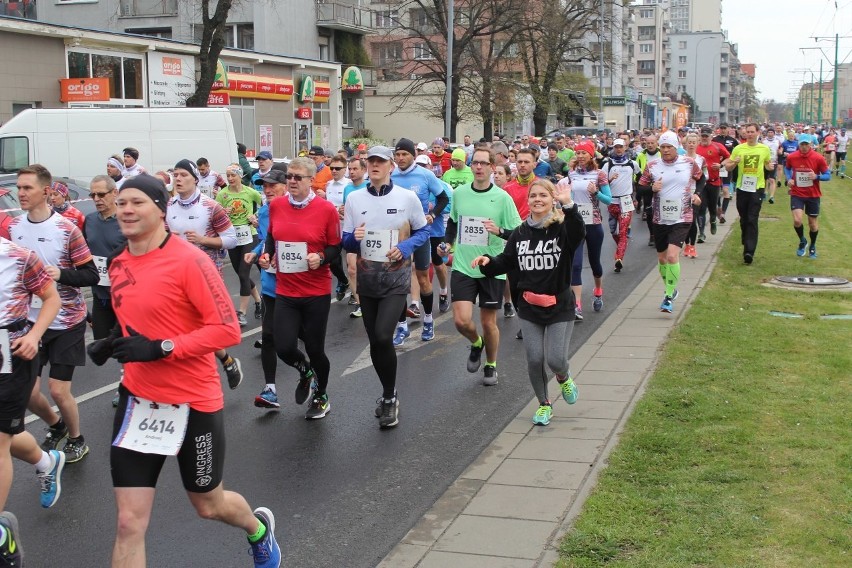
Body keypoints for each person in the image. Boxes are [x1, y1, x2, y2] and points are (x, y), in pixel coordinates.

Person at [86, 174, 281, 567]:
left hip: (193, 403)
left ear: (161, 209)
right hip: (139, 402)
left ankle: (258, 529)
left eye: (136, 202)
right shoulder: (122, 263)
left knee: (208, 504)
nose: (125, 209)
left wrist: (161, 347)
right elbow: (141, 320)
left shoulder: (189, 261)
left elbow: (226, 329)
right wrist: (113, 342)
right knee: (128, 522)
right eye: (121, 202)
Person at [471, 178, 585, 425]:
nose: (537, 200)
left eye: (543, 195)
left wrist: (569, 206)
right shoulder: (521, 232)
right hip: (530, 306)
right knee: (534, 359)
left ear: (552, 199)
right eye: (533, 196)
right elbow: (507, 260)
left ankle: (563, 377)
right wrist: (488, 262)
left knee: (555, 360)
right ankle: (544, 404)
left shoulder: (562, 228)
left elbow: (579, 231)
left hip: (559, 305)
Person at [12, 164, 99, 464]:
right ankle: (56, 425)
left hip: (66, 320)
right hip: (27, 323)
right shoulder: (13, 228)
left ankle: (77, 438)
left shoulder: (67, 229)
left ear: (46, 192)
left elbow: (90, 275)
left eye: (27, 188)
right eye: (19, 188)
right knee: (28, 393)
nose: (20, 193)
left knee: (58, 390)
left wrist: (60, 274)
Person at [341, 146, 429, 428]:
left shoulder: (407, 197)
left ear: (391, 166)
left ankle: (390, 399)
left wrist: (404, 247)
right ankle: (387, 393)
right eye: (371, 161)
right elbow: (347, 241)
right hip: (367, 281)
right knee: (375, 342)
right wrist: (354, 239)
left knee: (382, 336)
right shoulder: (355, 199)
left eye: (380, 161)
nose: (375, 165)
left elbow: (423, 230)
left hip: (396, 280)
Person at [0, 231, 67, 568]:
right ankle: (46, 461)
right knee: (5, 435)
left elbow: (51, 298)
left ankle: (0, 534)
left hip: (11, 355)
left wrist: (34, 335)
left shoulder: (19, 256)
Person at [258, 158, 341, 419]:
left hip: (316, 290)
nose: (291, 181)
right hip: (286, 289)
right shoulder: (277, 206)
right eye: (289, 177)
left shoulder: (326, 209)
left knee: (315, 349)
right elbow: (272, 235)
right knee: (283, 346)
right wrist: (267, 254)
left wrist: (321, 258)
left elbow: (335, 246)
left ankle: (322, 395)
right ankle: (305, 371)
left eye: (297, 177)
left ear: (310, 181)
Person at [438, 147, 522, 385]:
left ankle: (491, 364)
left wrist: (499, 231)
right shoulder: (461, 194)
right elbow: (453, 222)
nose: (479, 167)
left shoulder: (502, 198)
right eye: (475, 163)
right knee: (461, 321)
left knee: (488, 322)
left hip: (491, 266)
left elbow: (518, 233)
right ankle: (477, 343)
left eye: (484, 163)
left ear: (492, 168)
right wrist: (446, 243)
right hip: (464, 265)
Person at [165, 160, 244, 388]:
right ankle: (215, 367)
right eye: (175, 175)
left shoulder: (211, 206)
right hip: (175, 277)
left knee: (200, 329)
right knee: (181, 327)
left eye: (183, 175)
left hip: (206, 276)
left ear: (195, 179)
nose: (178, 179)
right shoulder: (169, 206)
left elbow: (231, 239)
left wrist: (203, 240)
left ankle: (222, 365)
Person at [391, 138, 450, 344]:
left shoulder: (425, 175)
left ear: (412, 155)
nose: (400, 158)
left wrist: (433, 215)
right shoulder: (391, 176)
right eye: (397, 155)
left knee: (423, 278)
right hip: (398, 235)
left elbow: (443, 198)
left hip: (421, 233)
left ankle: (427, 319)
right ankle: (401, 326)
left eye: (404, 154)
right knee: (398, 280)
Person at [636, 131, 703, 313]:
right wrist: (651, 188)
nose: (665, 150)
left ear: (676, 147)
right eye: (663, 147)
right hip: (660, 217)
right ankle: (671, 288)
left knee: (673, 256)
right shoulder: (652, 166)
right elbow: (640, 188)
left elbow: (701, 178)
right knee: (662, 258)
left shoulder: (689, 163)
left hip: (683, 216)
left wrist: (697, 194)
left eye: (669, 147)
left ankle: (668, 295)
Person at [83, 175, 127, 407]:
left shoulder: (125, 220)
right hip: (100, 295)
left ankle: (126, 385)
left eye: (101, 194)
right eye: (93, 195)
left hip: (127, 295)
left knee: (125, 341)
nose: (97, 199)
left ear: (114, 194)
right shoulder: (89, 220)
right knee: (105, 342)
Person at [246, 170, 288, 408]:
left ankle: (309, 374)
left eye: (273, 185)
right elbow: (268, 239)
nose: (267, 189)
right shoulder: (264, 212)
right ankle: (270, 389)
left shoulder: (295, 210)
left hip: (296, 285)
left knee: (297, 340)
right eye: (264, 186)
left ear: (286, 185)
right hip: (271, 281)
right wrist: (258, 251)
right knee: (269, 336)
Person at [564, 140, 611, 319]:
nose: (581, 156)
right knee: (575, 265)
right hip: (576, 224)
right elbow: (569, 195)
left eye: (584, 152)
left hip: (593, 224)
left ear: (591, 154)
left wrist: (596, 193)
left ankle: (598, 290)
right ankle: (577, 305)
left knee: (595, 264)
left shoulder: (599, 174)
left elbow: (609, 200)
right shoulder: (572, 174)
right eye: (578, 152)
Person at [218, 164, 263, 325]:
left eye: (233, 175)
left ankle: (241, 312)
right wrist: (223, 212)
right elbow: (215, 214)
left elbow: (266, 206)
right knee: (240, 273)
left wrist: (255, 216)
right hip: (233, 237)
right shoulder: (223, 194)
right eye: (228, 175)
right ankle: (258, 300)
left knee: (244, 273)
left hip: (249, 236)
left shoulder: (250, 192)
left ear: (240, 176)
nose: (230, 179)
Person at [723, 123, 774, 264]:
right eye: (748, 132)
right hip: (742, 187)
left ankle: (749, 251)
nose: (750, 134)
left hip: (757, 187)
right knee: (744, 217)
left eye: (752, 132)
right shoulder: (739, 148)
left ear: (758, 133)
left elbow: (768, 165)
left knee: (752, 218)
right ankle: (746, 237)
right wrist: (734, 163)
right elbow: (728, 167)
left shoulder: (764, 149)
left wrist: (769, 167)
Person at [784, 138, 830, 258]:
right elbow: (787, 168)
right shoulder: (792, 157)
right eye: (802, 144)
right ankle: (802, 241)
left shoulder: (818, 158)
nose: (804, 147)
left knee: (813, 224)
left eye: (806, 144)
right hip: (797, 193)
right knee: (797, 220)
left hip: (813, 195)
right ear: (798, 144)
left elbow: (828, 175)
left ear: (810, 145)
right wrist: (789, 179)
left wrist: (816, 176)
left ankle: (813, 246)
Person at [601, 138, 640, 272]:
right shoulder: (608, 165)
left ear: (625, 148)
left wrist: (636, 196)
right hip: (612, 201)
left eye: (621, 147)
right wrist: (610, 179)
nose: (618, 149)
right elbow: (601, 182)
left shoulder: (632, 164)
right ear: (613, 148)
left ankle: (619, 258)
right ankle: (621, 246)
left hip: (626, 202)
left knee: (623, 231)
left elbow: (640, 178)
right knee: (613, 231)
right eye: (616, 147)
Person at [323, 155, 351, 301]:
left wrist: (345, 213)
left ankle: (354, 291)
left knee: (351, 262)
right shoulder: (328, 185)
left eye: (337, 168)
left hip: (347, 228)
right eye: (331, 168)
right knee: (333, 261)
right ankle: (343, 280)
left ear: (344, 169)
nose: (334, 171)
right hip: (332, 229)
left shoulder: (349, 185)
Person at [695, 126, 730, 243]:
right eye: (702, 136)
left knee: (712, 207)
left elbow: (728, 158)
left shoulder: (717, 146)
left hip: (714, 181)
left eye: (706, 136)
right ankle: (701, 233)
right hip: (700, 183)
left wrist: (721, 165)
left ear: (711, 136)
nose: (704, 138)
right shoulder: (696, 147)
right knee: (701, 207)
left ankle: (713, 220)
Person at [343, 156, 368, 318]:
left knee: (368, 271)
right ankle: (360, 304)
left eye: (355, 169)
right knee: (352, 270)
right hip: (352, 234)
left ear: (364, 170)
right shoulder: (347, 189)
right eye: (349, 169)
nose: (351, 172)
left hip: (370, 235)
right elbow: (348, 211)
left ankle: (370, 301)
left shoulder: (369, 186)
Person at [682, 133, 708, 258]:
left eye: (694, 142)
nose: (691, 144)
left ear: (697, 143)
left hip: (695, 193)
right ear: (685, 144)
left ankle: (692, 245)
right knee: (684, 221)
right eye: (689, 142)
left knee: (692, 220)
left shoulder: (701, 159)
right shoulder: (681, 158)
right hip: (682, 193)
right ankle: (686, 244)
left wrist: (696, 178)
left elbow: (705, 176)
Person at [635, 134, 662, 246]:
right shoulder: (641, 155)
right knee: (649, 212)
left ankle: (660, 233)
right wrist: (636, 182)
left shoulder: (661, 153)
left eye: (652, 143)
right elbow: (636, 169)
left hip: (660, 185)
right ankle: (652, 234)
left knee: (659, 211)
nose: (650, 145)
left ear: (657, 143)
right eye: (648, 143)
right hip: (646, 186)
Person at [713, 124, 739, 224]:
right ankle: (718, 207)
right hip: (716, 167)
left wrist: (734, 161)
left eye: (725, 128)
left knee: (725, 189)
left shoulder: (732, 140)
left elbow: (738, 151)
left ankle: (723, 213)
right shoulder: (715, 140)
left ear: (728, 129)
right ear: (719, 129)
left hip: (727, 167)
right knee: (717, 190)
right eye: (721, 128)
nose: (723, 130)